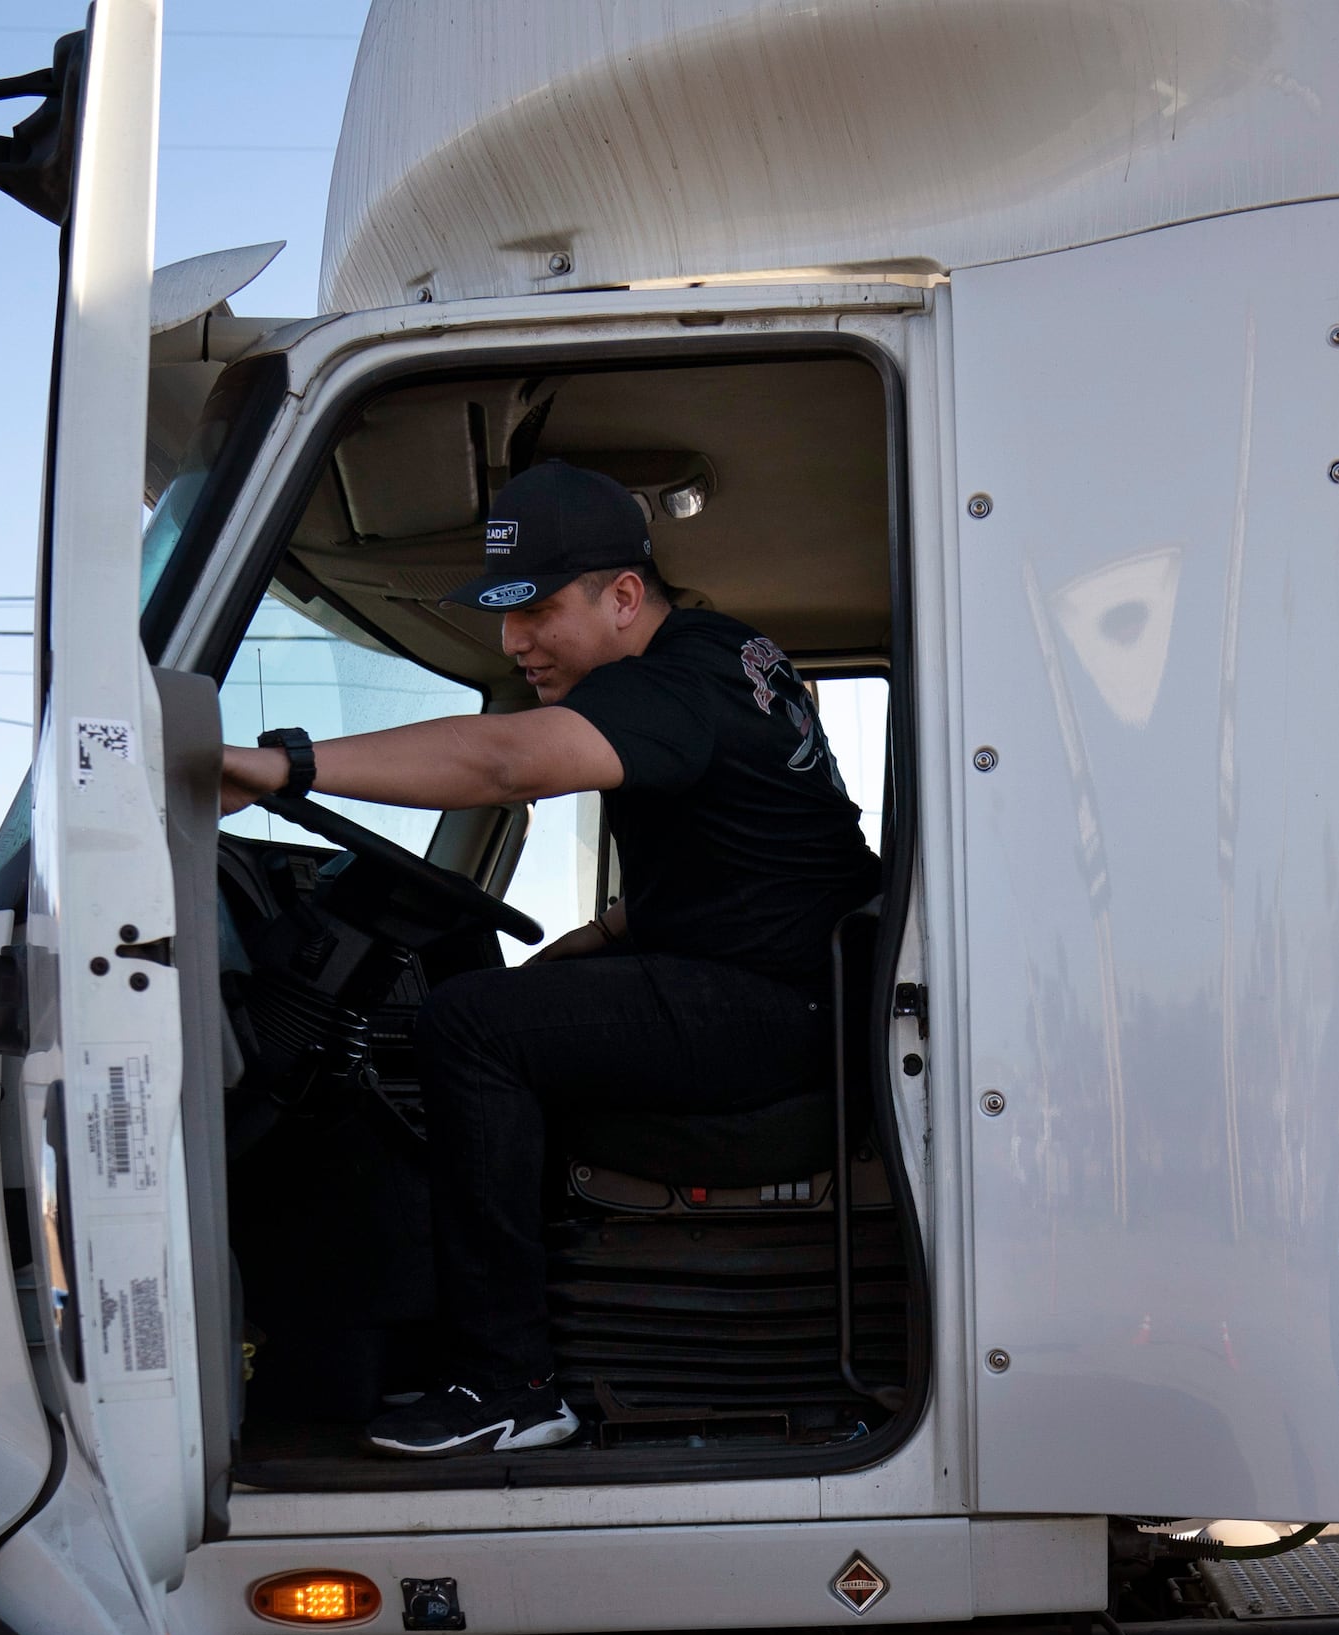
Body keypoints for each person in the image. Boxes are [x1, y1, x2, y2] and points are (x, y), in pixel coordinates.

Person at [217, 460, 880, 1455]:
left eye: (536, 609)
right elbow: (739, 865)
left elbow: (503, 760)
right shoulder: (719, 660)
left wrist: (279, 768)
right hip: (798, 986)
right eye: (503, 614)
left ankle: (510, 1384)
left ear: (623, 598)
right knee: (511, 1009)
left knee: (469, 1024)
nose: (514, 640)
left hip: (780, 1008)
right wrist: (590, 944)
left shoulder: (677, 685)